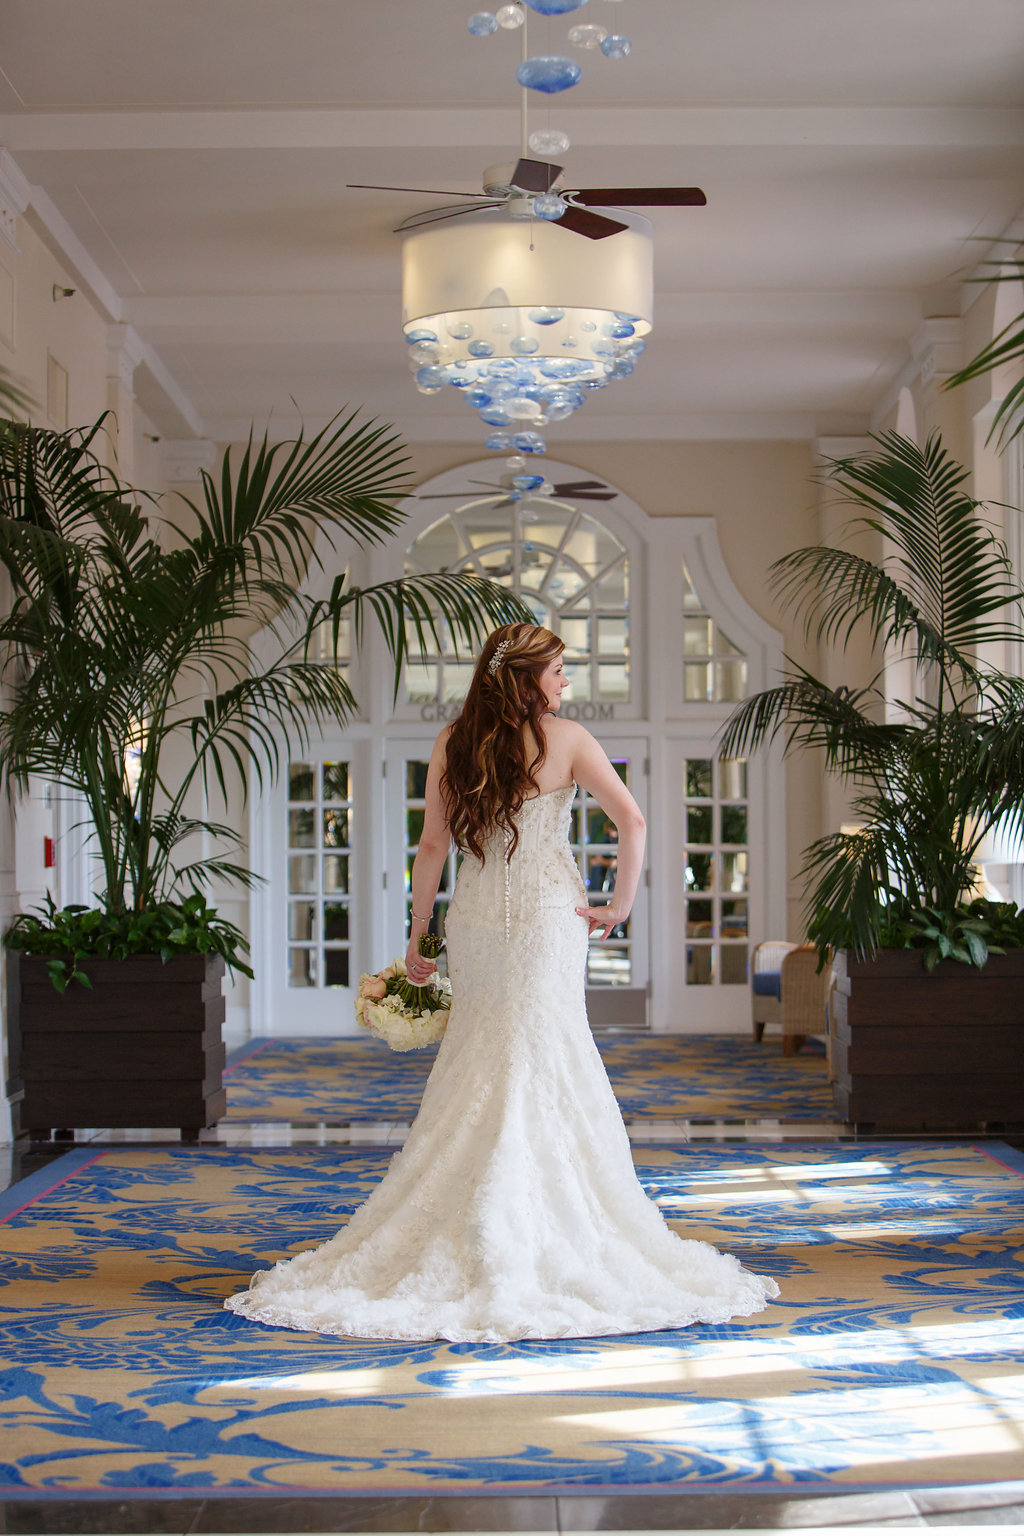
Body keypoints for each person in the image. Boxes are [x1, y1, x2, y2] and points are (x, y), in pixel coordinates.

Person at [224, 623, 778, 1341]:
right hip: (550, 917)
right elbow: (632, 821)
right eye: (557, 671)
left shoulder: (455, 742)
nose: (566, 682)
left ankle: (480, 1207)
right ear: (527, 680)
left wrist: (419, 931)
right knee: (542, 1047)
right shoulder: (571, 741)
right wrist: (621, 906)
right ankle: (547, 1219)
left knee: (489, 1053)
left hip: (479, 916)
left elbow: (431, 846)